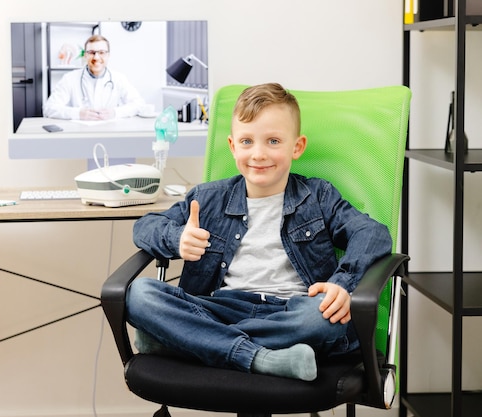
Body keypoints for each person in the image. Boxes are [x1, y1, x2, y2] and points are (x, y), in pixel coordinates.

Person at [125, 82, 392, 381]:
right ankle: (261, 358)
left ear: (297, 147)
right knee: (139, 294)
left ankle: (187, 341)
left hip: (291, 313)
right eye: (247, 141)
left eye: (274, 141)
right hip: (219, 308)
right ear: (233, 146)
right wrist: (177, 239)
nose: (259, 154)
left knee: (326, 318)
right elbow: (144, 226)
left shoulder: (318, 196)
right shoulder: (208, 198)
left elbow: (373, 233)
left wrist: (343, 283)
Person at [43, 34, 145, 121]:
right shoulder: (69, 79)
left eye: (101, 52)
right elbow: (49, 108)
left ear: (108, 55)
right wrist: (78, 113)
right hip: (80, 134)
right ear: (85, 55)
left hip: (110, 133)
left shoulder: (119, 78)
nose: (96, 57)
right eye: (91, 52)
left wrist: (115, 112)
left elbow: (139, 104)